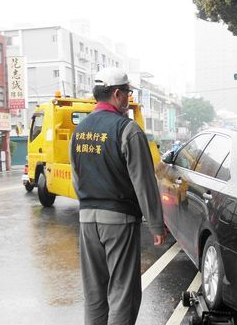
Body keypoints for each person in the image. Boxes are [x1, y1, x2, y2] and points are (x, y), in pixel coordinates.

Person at [70, 67, 166, 325]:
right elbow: (143, 182)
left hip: (87, 220)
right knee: (123, 292)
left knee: (95, 294)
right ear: (116, 94)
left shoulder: (79, 131)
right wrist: (156, 224)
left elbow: (76, 178)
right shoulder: (128, 130)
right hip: (119, 222)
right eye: (127, 93)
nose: (129, 98)